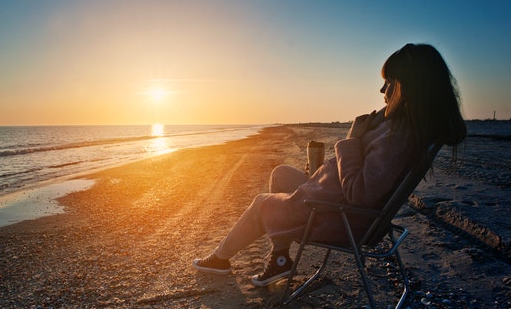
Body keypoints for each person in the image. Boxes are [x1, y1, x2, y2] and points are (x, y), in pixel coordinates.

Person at [192, 43, 467, 286]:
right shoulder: (400, 129)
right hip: (332, 203)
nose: (382, 90)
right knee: (281, 175)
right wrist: (325, 172)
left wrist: (351, 139)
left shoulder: (398, 137)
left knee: (263, 203)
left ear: (408, 87)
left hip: (339, 217)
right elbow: (363, 177)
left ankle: (219, 260)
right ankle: (280, 261)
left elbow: (359, 195)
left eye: (389, 82)